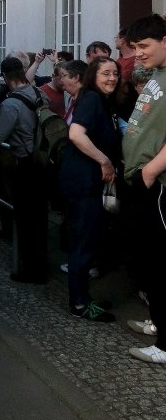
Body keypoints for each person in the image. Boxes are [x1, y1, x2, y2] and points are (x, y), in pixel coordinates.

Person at [58, 57, 120, 322]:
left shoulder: (99, 101)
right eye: (106, 73)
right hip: (84, 183)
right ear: (93, 75)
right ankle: (80, 303)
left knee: (86, 241)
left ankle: (83, 296)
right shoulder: (92, 100)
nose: (112, 78)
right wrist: (104, 160)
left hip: (88, 183)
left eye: (115, 73)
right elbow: (76, 134)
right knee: (83, 244)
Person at [122, 14, 166, 364]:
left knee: (160, 262)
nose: (137, 53)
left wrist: (149, 172)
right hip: (141, 177)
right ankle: (158, 322)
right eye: (134, 47)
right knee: (148, 261)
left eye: (144, 46)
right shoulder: (159, 74)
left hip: (157, 184)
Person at [0, 56, 48, 283]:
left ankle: (31, 270)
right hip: (42, 161)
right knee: (40, 218)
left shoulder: (11, 103)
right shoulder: (40, 94)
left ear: (4, 76)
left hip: (24, 164)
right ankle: (40, 265)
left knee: (26, 220)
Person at [59, 59, 87, 125]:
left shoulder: (86, 101)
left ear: (76, 78)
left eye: (64, 75)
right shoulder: (72, 99)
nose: (61, 80)